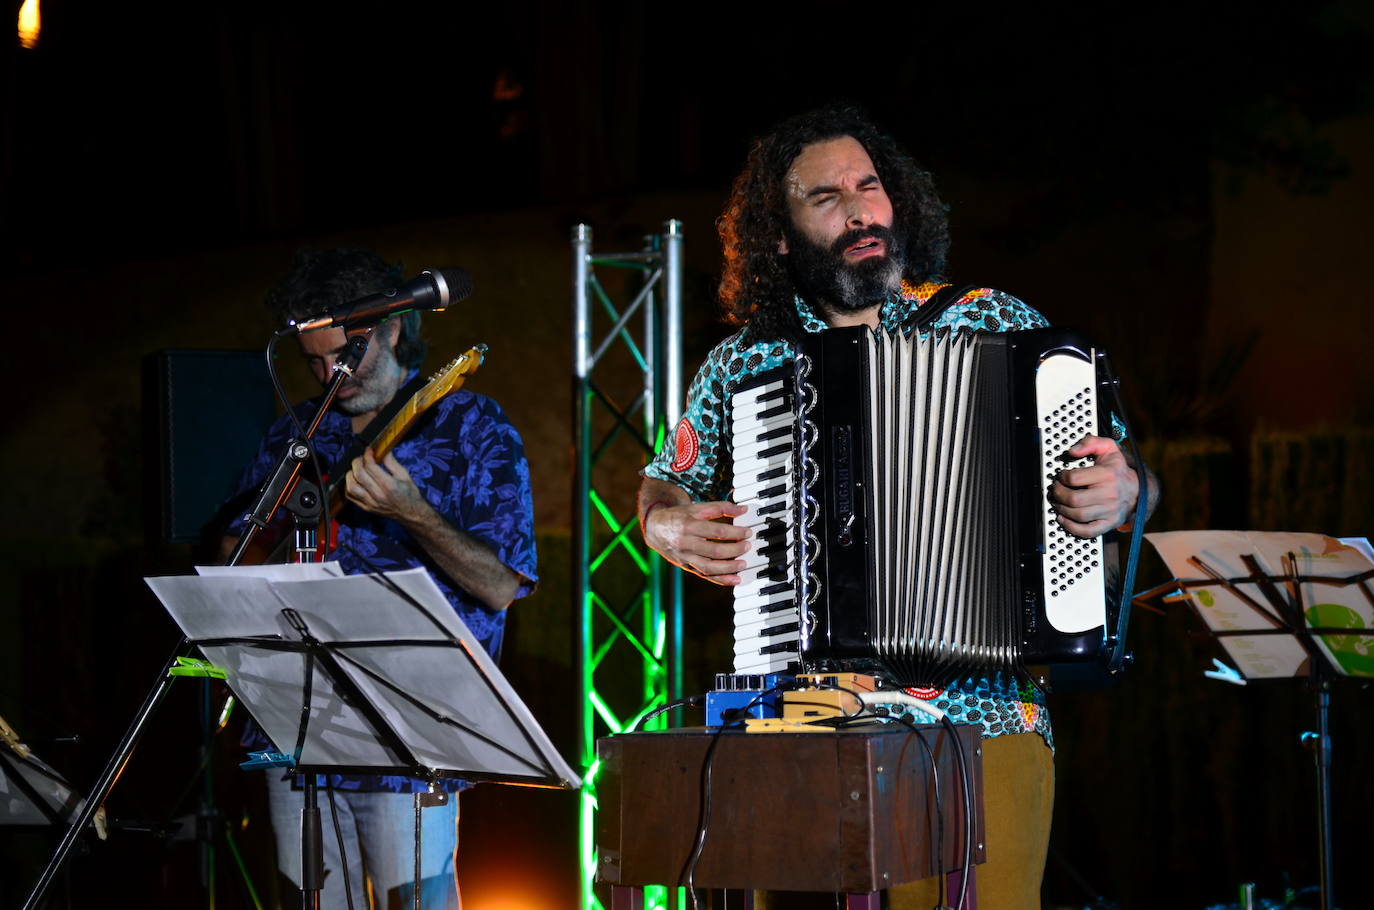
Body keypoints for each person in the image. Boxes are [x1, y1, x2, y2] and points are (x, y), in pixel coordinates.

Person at [637, 106, 1159, 909]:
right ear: (779, 236)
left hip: (990, 720)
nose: (858, 211)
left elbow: (1128, 475)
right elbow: (665, 482)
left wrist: (1125, 491)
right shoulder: (746, 364)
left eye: (868, 187)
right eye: (826, 198)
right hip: (811, 725)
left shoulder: (995, 323)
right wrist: (662, 521)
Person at [221, 247, 537, 909]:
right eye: (313, 361)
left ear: (393, 329)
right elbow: (234, 556)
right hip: (296, 731)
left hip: (413, 737)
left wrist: (411, 511)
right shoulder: (296, 434)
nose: (330, 373)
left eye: (345, 355)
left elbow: (502, 586)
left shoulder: (472, 426)